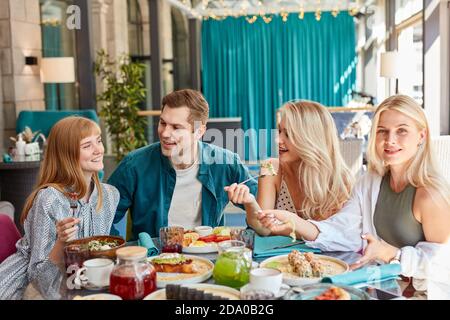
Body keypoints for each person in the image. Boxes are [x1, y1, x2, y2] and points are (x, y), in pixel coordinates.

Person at [258, 95, 450, 298]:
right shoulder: (370, 182)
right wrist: (295, 222)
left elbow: (444, 264)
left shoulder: (430, 195)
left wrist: (393, 254)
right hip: (383, 286)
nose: (390, 139)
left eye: (401, 130)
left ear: (421, 136)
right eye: (382, 131)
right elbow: (344, 230)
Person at [108, 89, 257, 238]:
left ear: (199, 131)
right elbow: (101, 218)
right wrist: (124, 250)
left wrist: (244, 237)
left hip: (207, 255)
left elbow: (265, 212)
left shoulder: (225, 163)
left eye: (176, 127)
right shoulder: (134, 165)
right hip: (153, 256)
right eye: (163, 123)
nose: (165, 133)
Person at [0, 117, 120, 300]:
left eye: (99, 140)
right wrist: (61, 243)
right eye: (87, 145)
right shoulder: (49, 199)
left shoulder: (110, 196)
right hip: (24, 288)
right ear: (67, 155)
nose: (99, 150)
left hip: (77, 282)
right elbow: (38, 279)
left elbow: (94, 258)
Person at [224, 100, 353, 235]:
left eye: (288, 134)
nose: (277, 140)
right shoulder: (270, 167)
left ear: (311, 139)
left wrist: (288, 225)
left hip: (324, 257)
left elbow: (331, 236)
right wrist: (250, 202)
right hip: (279, 256)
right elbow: (263, 229)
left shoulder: (340, 180)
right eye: (279, 131)